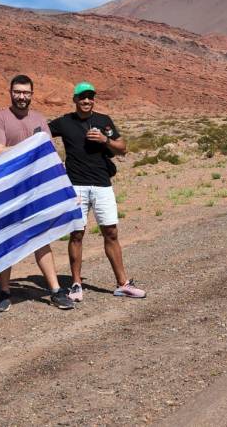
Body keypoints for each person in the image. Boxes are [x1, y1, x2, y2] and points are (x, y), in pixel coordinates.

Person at [48, 82, 146, 301]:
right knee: (77, 234)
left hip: (102, 184)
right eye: (82, 97)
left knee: (111, 232)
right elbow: (39, 133)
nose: (86, 101)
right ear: (74, 100)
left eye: (90, 97)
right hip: (76, 186)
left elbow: (122, 147)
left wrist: (105, 140)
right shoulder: (64, 122)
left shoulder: (104, 121)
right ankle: (76, 284)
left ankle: (123, 284)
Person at [0, 74, 75, 312]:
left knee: (42, 238)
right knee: (8, 240)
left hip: (35, 190)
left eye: (26, 92)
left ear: (32, 94)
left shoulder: (39, 119)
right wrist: (30, 146)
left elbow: (49, 153)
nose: (21, 96)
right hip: (8, 191)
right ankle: (4, 291)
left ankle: (55, 290)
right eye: (17, 92)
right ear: (10, 92)